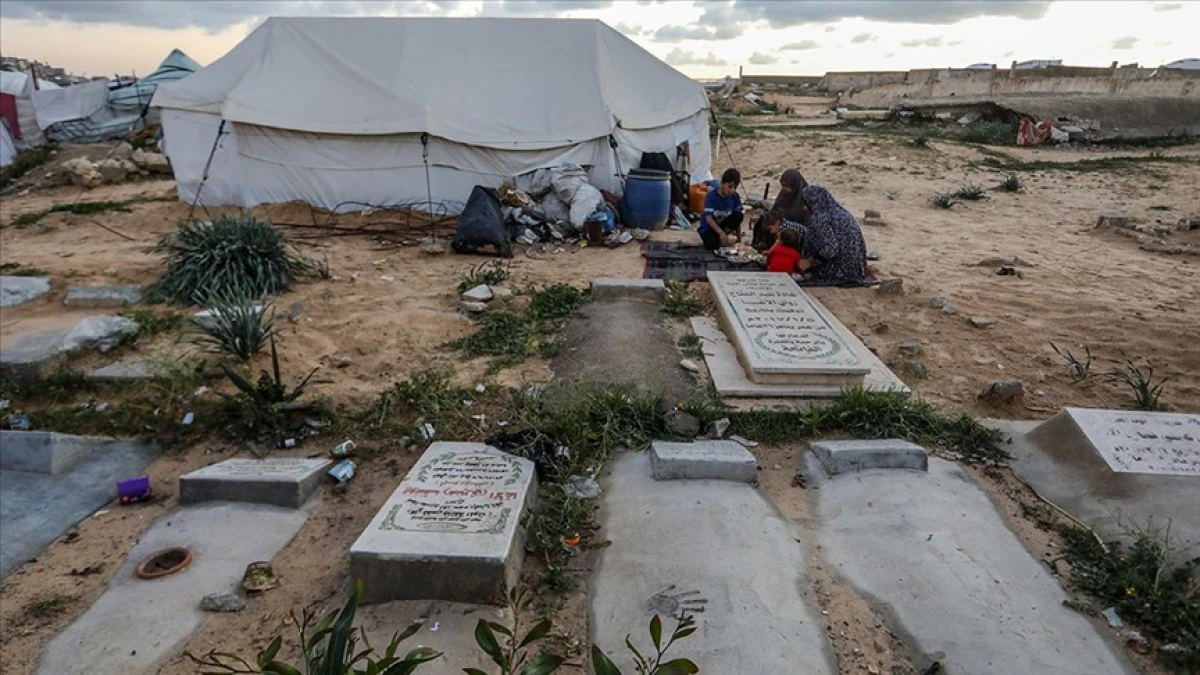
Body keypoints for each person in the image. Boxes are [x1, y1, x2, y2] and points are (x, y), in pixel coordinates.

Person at [795, 184, 869, 285]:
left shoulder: (820, 219)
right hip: (857, 268)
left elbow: (831, 250)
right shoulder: (839, 211)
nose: (804, 208)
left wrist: (810, 262)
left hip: (840, 270)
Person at [752, 168, 809, 250]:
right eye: (783, 186)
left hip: (795, 230)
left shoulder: (805, 198)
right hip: (780, 223)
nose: (784, 189)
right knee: (763, 221)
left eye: (787, 186)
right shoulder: (783, 196)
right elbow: (775, 211)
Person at [699, 168, 743, 251]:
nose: (732, 190)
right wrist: (720, 233)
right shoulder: (711, 196)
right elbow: (708, 219)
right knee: (711, 244)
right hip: (709, 227)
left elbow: (737, 218)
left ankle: (724, 238)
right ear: (722, 183)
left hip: (723, 226)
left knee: (739, 215)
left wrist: (739, 239)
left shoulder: (735, 196)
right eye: (729, 187)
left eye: (735, 187)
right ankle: (721, 239)